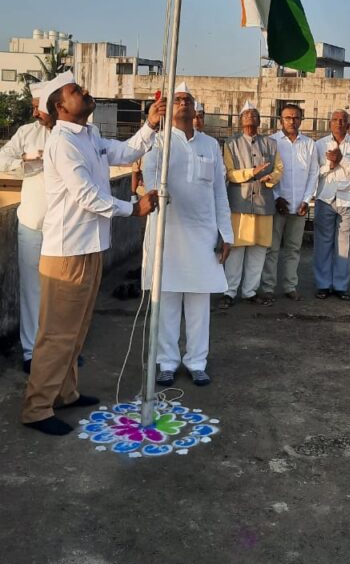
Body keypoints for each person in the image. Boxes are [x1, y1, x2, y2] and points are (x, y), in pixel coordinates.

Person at [21, 72, 161, 436]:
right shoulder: (62, 143)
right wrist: (133, 208)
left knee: (77, 329)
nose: (84, 91)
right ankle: (37, 407)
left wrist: (149, 125)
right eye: (75, 91)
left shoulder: (90, 134)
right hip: (68, 252)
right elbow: (86, 196)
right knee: (56, 334)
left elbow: (125, 152)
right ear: (60, 106)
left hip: (91, 246)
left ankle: (64, 393)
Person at [141, 83, 233, 386]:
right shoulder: (158, 142)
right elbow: (149, 181)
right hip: (168, 234)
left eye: (187, 100)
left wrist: (226, 233)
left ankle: (196, 362)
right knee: (166, 300)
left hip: (203, 234)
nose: (182, 103)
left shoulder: (211, 145)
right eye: (177, 99)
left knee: (198, 304)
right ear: (169, 107)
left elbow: (219, 192)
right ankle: (166, 362)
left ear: (195, 109)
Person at [0, 82, 53, 371]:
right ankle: (32, 352)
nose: (34, 113)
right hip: (32, 224)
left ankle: (59, 349)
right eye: (33, 107)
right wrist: (26, 160)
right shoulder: (26, 133)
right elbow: (2, 159)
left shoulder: (77, 134)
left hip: (65, 228)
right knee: (32, 290)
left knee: (61, 292)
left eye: (37, 107)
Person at [222, 101, 283, 307]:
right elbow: (229, 173)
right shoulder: (231, 143)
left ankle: (250, 291)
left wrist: (271, 177)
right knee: (236, 249)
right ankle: (230, 292)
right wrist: (251, 172)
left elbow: (279, 168)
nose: (251, 117)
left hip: (263, 203)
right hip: (239, 203)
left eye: (254, 114)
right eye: (247, 114)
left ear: (260, 120)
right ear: (240, 120)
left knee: (258, 249)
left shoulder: (271, 144)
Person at [259, 104, 318, 302]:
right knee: (272, 248)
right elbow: (267, 173)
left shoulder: (309, 144)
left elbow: (313, 173)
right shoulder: (272, 142)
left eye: (296, 117)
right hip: (277, 205)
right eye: (288, 118)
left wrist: (307, 200)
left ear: (301, 120)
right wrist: (276, 197)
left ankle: (290, 286)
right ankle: (268, 287)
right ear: (280, 120)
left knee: (293, 249)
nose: (292, 121)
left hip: (299, 205)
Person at [314, 110, 350, 300]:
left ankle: (340, 286)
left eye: (342, 120)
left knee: (345, 245)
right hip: (325, 198)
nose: (338, 123)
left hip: (348, 200)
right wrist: (329, 165)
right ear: (330, 123)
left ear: (348, 124)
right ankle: (323, 284)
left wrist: (342, 160)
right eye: (335, 120)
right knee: (323, 244)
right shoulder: (320, 144)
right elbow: (314, 172)